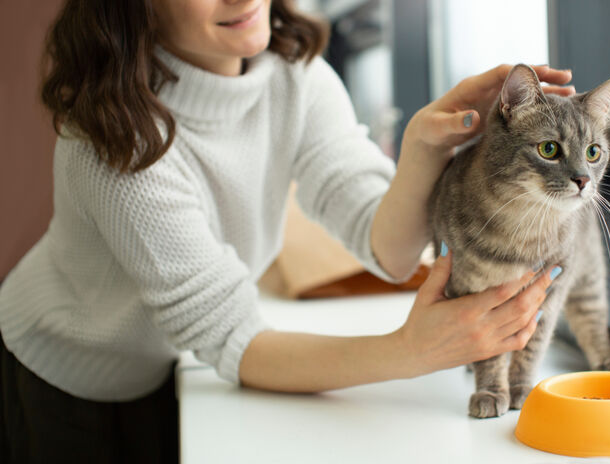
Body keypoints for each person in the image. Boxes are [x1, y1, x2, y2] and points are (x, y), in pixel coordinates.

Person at [0, 0, 574, 462]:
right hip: (68, 370)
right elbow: (233, 338)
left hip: (167, 358)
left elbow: (389, 250)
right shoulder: (112, 138)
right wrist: (408, 351)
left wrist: (425, 147)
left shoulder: (294, 74)